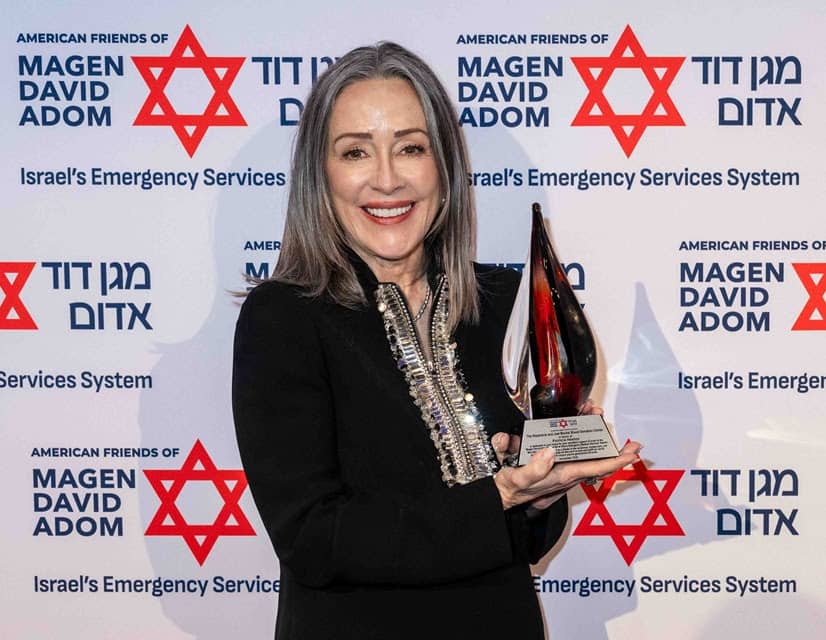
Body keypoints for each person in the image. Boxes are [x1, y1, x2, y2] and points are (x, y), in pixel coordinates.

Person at [232, 41, 641, 640]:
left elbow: (525, 542)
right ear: (320, 176)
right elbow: (314, 540)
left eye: (411, 147)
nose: (388, 179)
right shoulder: (284, 319)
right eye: (355, 152)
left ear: (443, 168)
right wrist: (496, 496)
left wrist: (538, 493)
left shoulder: (507, 300)